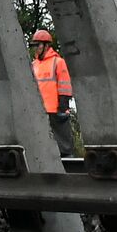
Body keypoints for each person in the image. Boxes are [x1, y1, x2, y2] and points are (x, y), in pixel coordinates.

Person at [30, 28, 76, 157]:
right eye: (35, 46)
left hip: (56, 109)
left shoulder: (58, 62)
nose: (36, 49)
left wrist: (63, 105)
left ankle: (68, 164)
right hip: (40, 111)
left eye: (38, 45)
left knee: (63, 145)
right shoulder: (33, 65)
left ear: (46, 45)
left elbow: (65, 85)